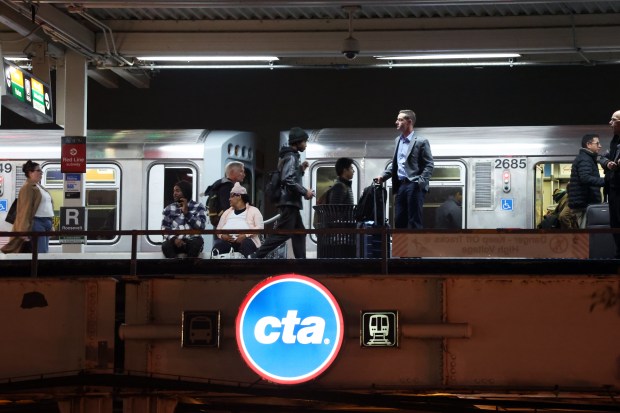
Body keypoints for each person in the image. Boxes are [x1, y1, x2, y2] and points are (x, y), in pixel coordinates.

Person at [249, 127, 314, 258]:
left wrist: (301, 169)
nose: (305, 145)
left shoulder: (289, 156)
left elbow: (289, 175)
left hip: (291, 202)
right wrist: (304, 192)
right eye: (304, 142)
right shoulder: (291, 157)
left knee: (299, 232)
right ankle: (257, 255)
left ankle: (301, 261)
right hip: (289, 202)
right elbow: (287, 179)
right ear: (297, 142)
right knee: (282, 233)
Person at [376, 109, 434, 229]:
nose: (396, 122)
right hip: (401, 185)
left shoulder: (421, 141)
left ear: (409, 122)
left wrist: (420, 182)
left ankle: (415, 247)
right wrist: (383, 176)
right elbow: (396, 164)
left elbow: (429, 164)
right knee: (399, 220)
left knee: (414, 221)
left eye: (400, 119)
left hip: (414, 184)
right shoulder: (398, 140)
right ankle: (400, 247)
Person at [1, 160, 54, 254]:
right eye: (38, 170)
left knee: (44, 251)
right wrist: (23, 230)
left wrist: (51, 224)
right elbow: (25, 210)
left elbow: (47, 207)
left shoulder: (39, 187)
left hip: (46, 221)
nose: (41, 173)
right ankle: (38, 268)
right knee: (41, 252)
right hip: (37, 222)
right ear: (30, 173)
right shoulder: (27, 188)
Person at [213, 182, 264, 257]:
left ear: (239, 196)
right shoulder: (227, 212)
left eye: (231, 196)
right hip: (229, 242)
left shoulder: (254, 210)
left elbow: (260, 227)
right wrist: (223, 236)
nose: (229, 199)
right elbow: (218, 229)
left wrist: (245, 235)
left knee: (246, 244)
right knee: (218, 246)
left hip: (247, 241)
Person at [566, 134, 605, 228]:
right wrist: (606, 181)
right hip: (584, 204)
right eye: (597, 143)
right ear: (588, 144)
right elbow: (585, 178)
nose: (600, 146)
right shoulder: (585, 159)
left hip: (584, 203)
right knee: (585, 236)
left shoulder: (587, 158)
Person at [161, 180, 207, 258]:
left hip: (192, 240)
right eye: (174, 191)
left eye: (177, 191)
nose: (174, 193)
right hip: (175, 241)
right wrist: (174, 239)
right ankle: (176, 268)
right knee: (165, 245)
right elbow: (164, 228)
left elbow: (201, 226)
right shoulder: (169, 209)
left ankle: (188, 269)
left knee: (197, 242)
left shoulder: (198, 206)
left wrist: (187, 213)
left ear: (186, 192)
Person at [600, 110, 620, 257]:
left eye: (613, 120)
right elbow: (602, 157)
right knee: (615, 223)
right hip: (614, 189)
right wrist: (608, 164)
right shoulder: (615, 142)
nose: (610, 123)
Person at [204, 161, 246, 228]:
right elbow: (228, 208)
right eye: (241, 171)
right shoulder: (227, 187)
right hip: (227, 227)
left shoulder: (221, 185)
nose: (244, 174)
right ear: (232, 172)